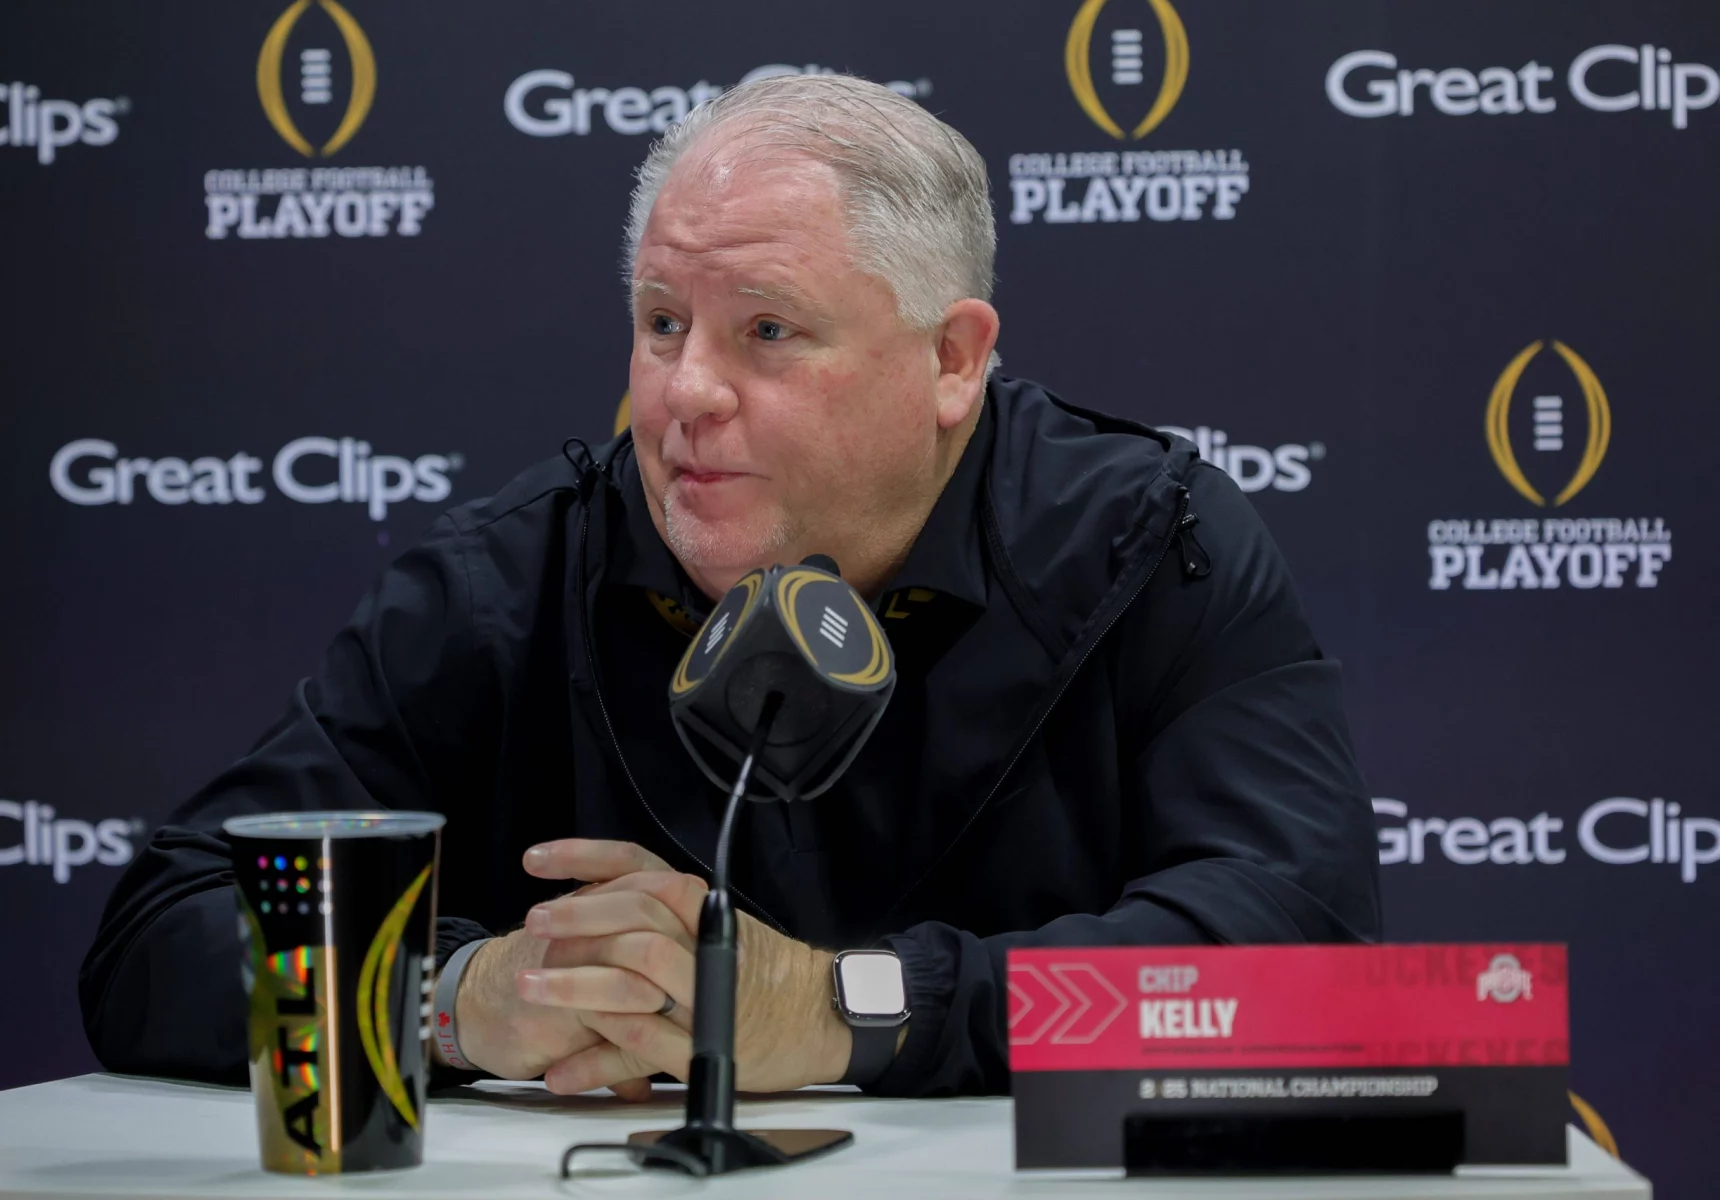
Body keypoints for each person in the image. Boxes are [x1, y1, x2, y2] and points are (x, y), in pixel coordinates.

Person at [80, 73, 1379, 1101]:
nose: (684, 393)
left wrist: (842, 1011)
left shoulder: (1144, 544)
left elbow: (1297, 951)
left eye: (766, 329)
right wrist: (455, 1000)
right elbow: (160, 929)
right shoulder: (513, 580)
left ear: (950, 359)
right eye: (660, 323)